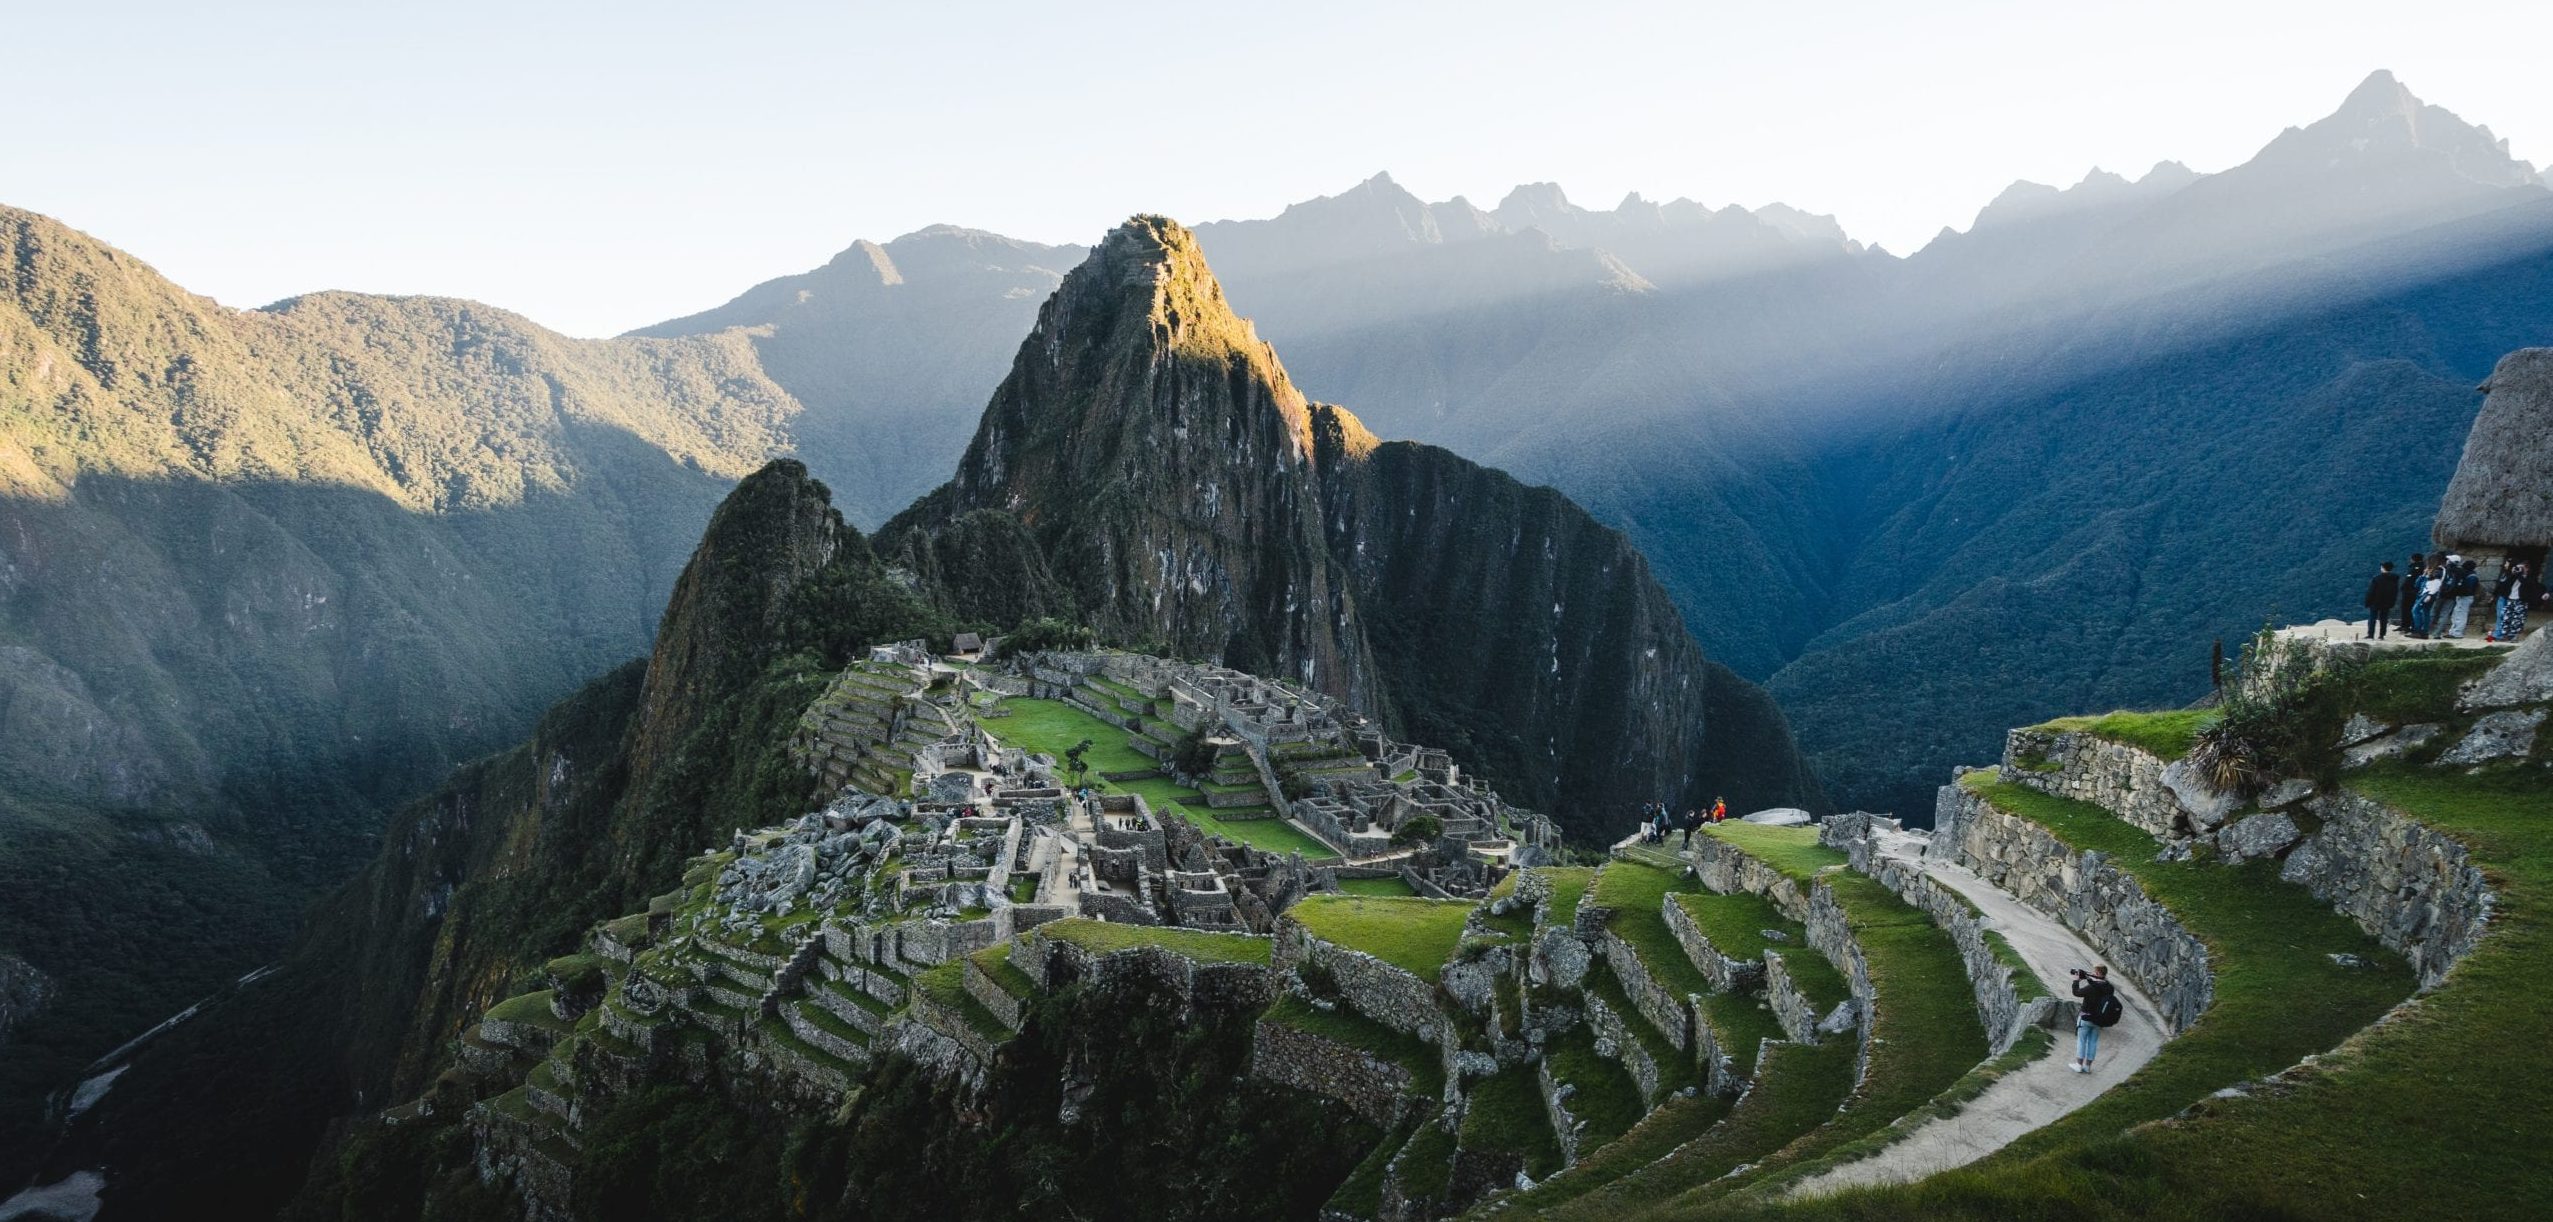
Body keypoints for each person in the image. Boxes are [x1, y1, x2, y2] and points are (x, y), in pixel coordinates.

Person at [2071, 965, 2118, 1073]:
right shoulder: (2109, 987)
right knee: (2092, 1042)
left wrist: (2076, 981)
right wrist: (2089, 979)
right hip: (2099, 1019)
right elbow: (2100, 986)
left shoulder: (2091, 987)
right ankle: (2087, 1067)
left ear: (2096, 973)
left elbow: (2076, 992)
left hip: (2086, 1017)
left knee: (2081, 1041)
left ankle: (2078, 1065)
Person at [2493, 561, 2539, 642]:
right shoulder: (2514, 576)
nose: (2519, 569)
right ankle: (2505, 635)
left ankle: (2514, 636)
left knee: (2518, 619)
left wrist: (2519, 574)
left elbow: (2526, 583)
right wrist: (2513, 573)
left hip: (2521, 600)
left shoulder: (2531, 577)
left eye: (2521, 567)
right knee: (2507, 618)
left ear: (2527, 568)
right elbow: (2505, 584)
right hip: (2510, 599)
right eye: (2518, 567)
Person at [2362, 561, 2400, 640]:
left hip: (2375, 601)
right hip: (2387, 602)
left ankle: (2370, 635)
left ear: (2382, 568)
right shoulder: (2394, 579)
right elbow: (2395, 591)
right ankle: (2381, 635)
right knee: (2384, 618)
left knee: (2372, 618)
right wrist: (2392, 602)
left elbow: (2371, 591)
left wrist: (2367, 601)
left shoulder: (2377, 579)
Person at [2446, 556, 2481, 639]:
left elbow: (2468, 589)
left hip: (2465, 597)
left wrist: (2459, 592)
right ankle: (2453, 632)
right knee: (2456, 614)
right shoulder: (2469, 574)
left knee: (2461, 615)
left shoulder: (2472, 577)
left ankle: (2458, 633)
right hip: (2463, 597)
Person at [2396, 552, 2426, 632]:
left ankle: (2406, 626)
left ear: (2413, 559)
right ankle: (2406, 625)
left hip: (2410, 591)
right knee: (2409, 608)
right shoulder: (2422, 567)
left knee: (2406, 608)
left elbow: (2410, 580)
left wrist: (2403, 587)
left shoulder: (2416, 568)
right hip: (2414, 591)